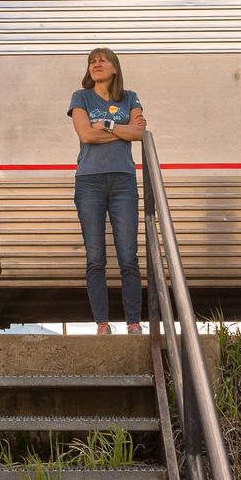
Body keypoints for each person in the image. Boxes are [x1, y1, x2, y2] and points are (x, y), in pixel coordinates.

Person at [67, 47, 147, 335]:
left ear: (115, 68)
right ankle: (102, 323)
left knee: (129, 256)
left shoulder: (130, 96)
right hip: (89, 181)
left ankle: (134, 322)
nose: (96, 64)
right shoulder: (81, 97)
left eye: (103, 60)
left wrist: (106, 123)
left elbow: (140, 134)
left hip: (123, 181)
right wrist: (121, 127)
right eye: (92, 61)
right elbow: (86, 134)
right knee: (95, 257)